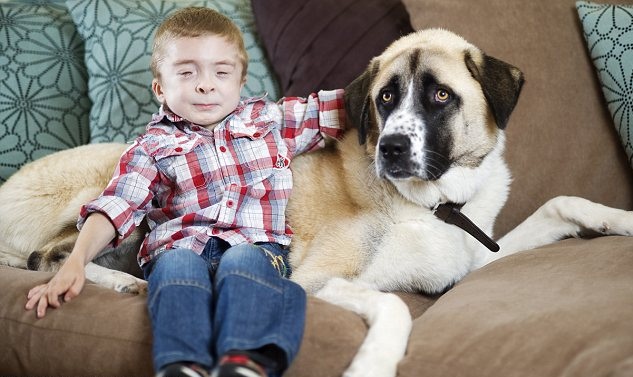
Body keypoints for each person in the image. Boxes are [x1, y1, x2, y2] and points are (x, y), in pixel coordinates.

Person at [24, 7, 346, 377]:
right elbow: (117, 205)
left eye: (221, 72)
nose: (206, 84)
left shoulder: (270, 121)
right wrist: (76, 262)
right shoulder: (151, 146)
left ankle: (246, 361)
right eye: (186, 72)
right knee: (176, 263)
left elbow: (339, 106)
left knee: (243, 258)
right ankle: (181, 365)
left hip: (256, 248)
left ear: (240, 81)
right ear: (160, 88)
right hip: (180, 248)